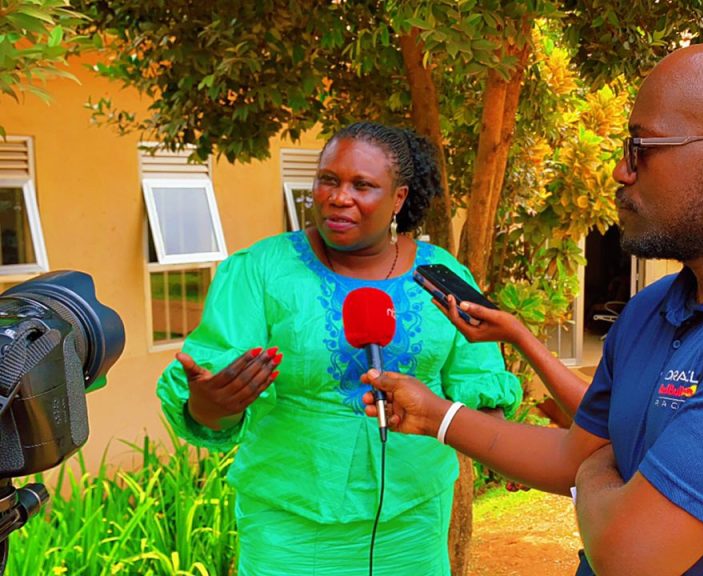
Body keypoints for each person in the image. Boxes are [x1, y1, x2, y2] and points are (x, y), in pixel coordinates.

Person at [362, 41, 703, 576]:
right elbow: (570, 455)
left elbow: (627, 554)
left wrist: (597, 462)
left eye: (641, 147)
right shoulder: (651, 309)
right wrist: (435, 415)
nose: (620, 171)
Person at [156, 121, 522, 575]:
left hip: (412, 525)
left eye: (362, 185)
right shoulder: (260, 271)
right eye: (328, 180)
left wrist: (508, 452)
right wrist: (212, 404)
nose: (338, 197)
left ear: (398, 198)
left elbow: (478, 384)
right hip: (290, 529)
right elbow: (213, 400)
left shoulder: (442, 277)